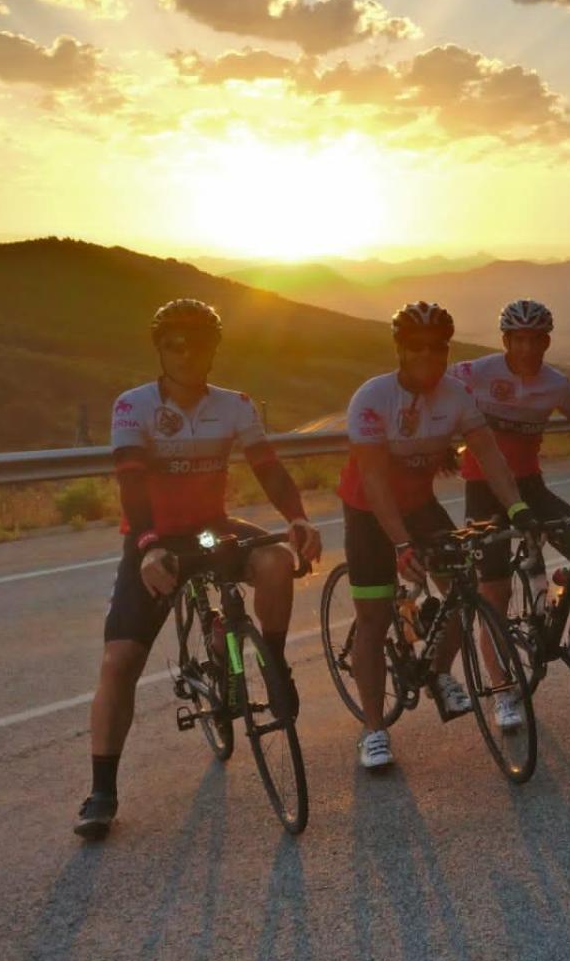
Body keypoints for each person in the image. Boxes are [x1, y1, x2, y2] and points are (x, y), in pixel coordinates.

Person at [75, 299, 323, 840]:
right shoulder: (133, 406)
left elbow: (268, 469)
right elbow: (132, 485)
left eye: (198, 342)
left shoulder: (233, 405)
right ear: (160, 349)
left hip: (212, 527)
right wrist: (146, 547)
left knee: (278, 562)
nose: (187, 353)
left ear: (213, 349)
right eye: (175, 343)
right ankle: (101, 790)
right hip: (155, 541)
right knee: (119, 661)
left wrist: (298, 518)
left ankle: (274, 667)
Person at [339, 301, 534, 771]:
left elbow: (490, 457)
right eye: (417, 347)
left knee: (461, 592)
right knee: (373, 618)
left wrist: (519, 509)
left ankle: (439, 672)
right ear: (400, 350)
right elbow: (375, 481)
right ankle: (373, 729)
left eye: (439, 347)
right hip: (369, 508)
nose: (429, 355)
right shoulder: (372, 397)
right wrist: (402, 544)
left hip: (420, 505)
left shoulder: (456, 395)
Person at [453, 299, 570, 730]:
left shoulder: (555, 383)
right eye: (519, 339)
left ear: (547, 340)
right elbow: (432, 397)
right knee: (494, 594)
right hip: (483, 492)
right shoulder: (476, 373)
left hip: (531, 487)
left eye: (536, 339)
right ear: (506, 340)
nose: (527, 347)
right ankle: (503, 692)